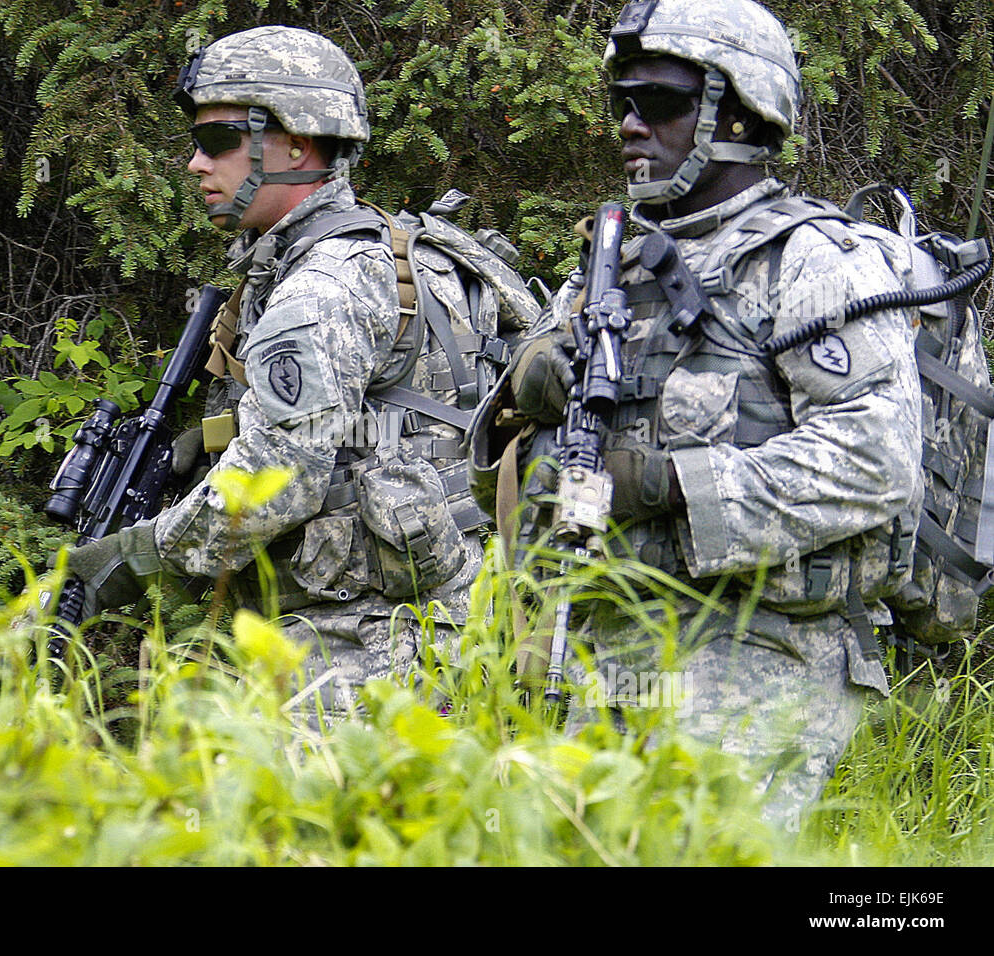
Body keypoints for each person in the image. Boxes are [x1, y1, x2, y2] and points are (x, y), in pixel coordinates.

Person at [472, 0, 922, 828]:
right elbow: (503, 459)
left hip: (762, 653)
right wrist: (524, 387)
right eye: (622, 104)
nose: (632, 126)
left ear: (741, 111)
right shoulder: (612, 265)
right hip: (604, 643)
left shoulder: (814, 260)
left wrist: (672, 483)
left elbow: (877, 459)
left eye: (662, 103)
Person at [63, 26, 501, 721]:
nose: (194, 165)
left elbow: (277, 485)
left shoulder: (320, 287)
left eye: (217, 143)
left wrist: (136, 555)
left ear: (296, 144)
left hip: (358, 655)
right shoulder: (378, 248)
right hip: (417, 632)